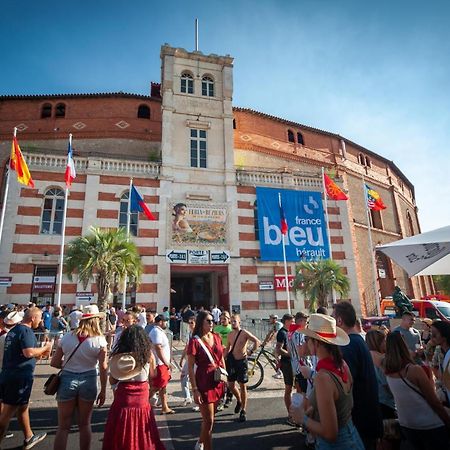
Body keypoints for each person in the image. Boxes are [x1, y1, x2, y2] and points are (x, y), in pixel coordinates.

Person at [290, 313, 364, 450]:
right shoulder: (342, 365)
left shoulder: (323, 377)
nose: (305, 343)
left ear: (316, 343)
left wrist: (302, 418)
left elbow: (330, 433)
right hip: (351, 436)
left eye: (307, 339)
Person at [50, 304, 107, 450]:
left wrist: (69, 364)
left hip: (67, 378)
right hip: (88, 379)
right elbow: (103, 368)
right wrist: (103, 390)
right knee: (85, 424)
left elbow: (54, 362)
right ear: (95, 321)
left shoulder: (67, 337)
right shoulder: (100, 341)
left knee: (63, 427)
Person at [102, 325, 165, 450]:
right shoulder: (148, 356)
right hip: (141, 398)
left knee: (120, 432)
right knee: (141, 431)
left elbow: (113, 379)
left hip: (123, 398)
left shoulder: (119, 357)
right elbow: (152, 377)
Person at [385, 331, 450, 449]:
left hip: (407, 423)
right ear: (403, 345)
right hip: (429, 423)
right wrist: (447, 419)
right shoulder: (413, 370)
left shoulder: (388, 372)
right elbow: (433, 400)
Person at [0, 307, 53, 449]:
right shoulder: (26, 331)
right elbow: (28, 352)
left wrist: (41, 352)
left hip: (9, 373)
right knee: (8, 412)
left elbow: (24, 354)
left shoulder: (13, 332)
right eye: (40, 317)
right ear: (32, 318)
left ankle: (29, 436)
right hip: (19, 376)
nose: (41, 320)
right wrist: (46, 347)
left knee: (23, 406)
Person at [332, 301, 382, 450]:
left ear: (340, 320)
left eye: (333, 318)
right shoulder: (358, 341)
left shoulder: (349, 345)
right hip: (368, 416)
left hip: (360, 420)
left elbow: (345, 384)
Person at [187, 310, 225, 450]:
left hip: (217, 380)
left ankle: (202, 444)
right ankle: (203, 445)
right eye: (208, 321)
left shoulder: (216, 336)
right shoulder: (195, 341)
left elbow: (220, 359)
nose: (211, 323)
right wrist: (194, 389)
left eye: (212, 321)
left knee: (210, 421)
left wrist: (225, 377)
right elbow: (190, 367)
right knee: (208, 421)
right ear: (201, 323)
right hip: (203, 383)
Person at [225, 314, 260, 422]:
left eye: (235, 321)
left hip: (242, 362)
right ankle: (239, 400)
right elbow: (227, 349)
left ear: (239, 322)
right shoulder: (230, 334)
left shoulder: (244, 333)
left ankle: (243, 410)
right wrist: (221, 360)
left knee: (242, 385)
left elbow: (256, 341)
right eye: (231, 321)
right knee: (230, 385)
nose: (233, 323)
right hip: (232, 362)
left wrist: (250, 351)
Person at [365, 330, 396, 419]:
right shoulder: (382, 358)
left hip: (374, 399)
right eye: (384, 340)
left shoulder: (367, 355)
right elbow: (386, 382)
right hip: (387, 402)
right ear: (378, 342)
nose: (386, 343)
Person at [149, 315, 173, 414]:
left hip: (161, 363)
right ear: (160, 322)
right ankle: (142, 401)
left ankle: (165, 406)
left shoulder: (159, 331)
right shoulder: (156, 332)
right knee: (157, 386)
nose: (166, 323)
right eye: (165, 321)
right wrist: (166, 362)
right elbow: (158, 348)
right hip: (159, 364)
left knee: (163, 386)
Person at [275, 313, 296, 426]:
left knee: (293, 387)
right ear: (286, 321)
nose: (293, 323)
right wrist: (290, 354)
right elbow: (278, 348)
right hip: (286, 363)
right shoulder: (282, 333)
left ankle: (294, 413)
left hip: (292, 363)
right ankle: (290, 415)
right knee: (288, 389)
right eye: (291, 321)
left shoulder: (290, 332)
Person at [213, 312, 233, 409]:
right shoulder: (216, 329)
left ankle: (229, 397)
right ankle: (220, 398)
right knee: (220, 378)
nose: (223, 320)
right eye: (221, 318)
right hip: (219, 357)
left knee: (229, 378)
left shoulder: (232, 328)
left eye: (225, 318)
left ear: (229, 319)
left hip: (230, 356)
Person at [179, 318, 199, 411]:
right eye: (189, 323)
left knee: (196, 381)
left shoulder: (198, 334)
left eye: (192, 323)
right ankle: (187, 397)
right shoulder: (189, 333)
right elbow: (187, 346)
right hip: (189, 359)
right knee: (183, 377)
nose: (190, 324)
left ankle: (198, 403)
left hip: (196, 360)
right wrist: (182, 357)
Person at [288, 312, 309, 395]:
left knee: (300, 391)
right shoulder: (300, 333)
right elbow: (301, 351)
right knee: (306, 393)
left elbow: (289, 351)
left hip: (295, 365)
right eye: (306, 321)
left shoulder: (290, 333)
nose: (307, 324)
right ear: (300, 321)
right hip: (303, 366)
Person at [430, 320, 450, 405]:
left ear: (444, 336)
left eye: (434, 334)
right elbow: (434, 366)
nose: (432, 337)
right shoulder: (438, 349)